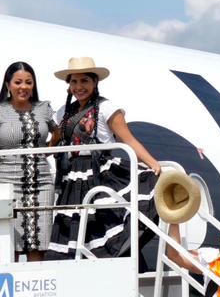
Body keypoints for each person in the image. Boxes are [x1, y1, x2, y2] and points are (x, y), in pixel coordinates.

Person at [45, 56, 162, 260]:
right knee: (73, 225)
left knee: (104, 224)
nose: (79, 86)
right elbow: (52, 145)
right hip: (71, 176)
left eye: (84, 81)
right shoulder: (63, 112)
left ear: (95, 82)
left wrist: (152, 163)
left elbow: (129, 141)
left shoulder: (108, 108)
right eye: (74, 81)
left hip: (99, 171)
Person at [0, 61, 61, 258]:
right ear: (8, 85)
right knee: (7, 240)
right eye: (18, 82)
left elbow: (57, 134)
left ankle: (36, 285)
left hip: (42, 182)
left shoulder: (44, 108)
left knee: (39, 241)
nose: (23, 87)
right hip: (5, 182)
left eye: (28, 82)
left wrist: (45, 151)